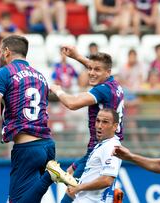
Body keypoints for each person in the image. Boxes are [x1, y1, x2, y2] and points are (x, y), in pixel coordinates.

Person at [0, 35, 77, 203]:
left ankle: (50, 175)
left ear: (6, 52)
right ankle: (51, 173)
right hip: (47, 145)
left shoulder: (3, 74)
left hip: (27, 148)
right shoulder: (40, 76)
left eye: (0, 52)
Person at [50, 45, 124, 203]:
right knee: (68, 180)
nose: (91, 72)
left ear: (108, 72)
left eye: (96, 70)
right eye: (89, 68)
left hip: (102, 149)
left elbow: (72, 103)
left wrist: (57, 90)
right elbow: (97, 68)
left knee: (75, 190)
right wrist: (77, 57)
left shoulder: (102, 90)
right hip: (100, 147)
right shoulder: (114, 85)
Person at [67, 108, 122, 203]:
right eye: (98, 121)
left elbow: (107, 180)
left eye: (105, 122)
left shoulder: (111, 146)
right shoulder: (103, 144)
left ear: (115, 126)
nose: (99, 126)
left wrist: (78, 187)